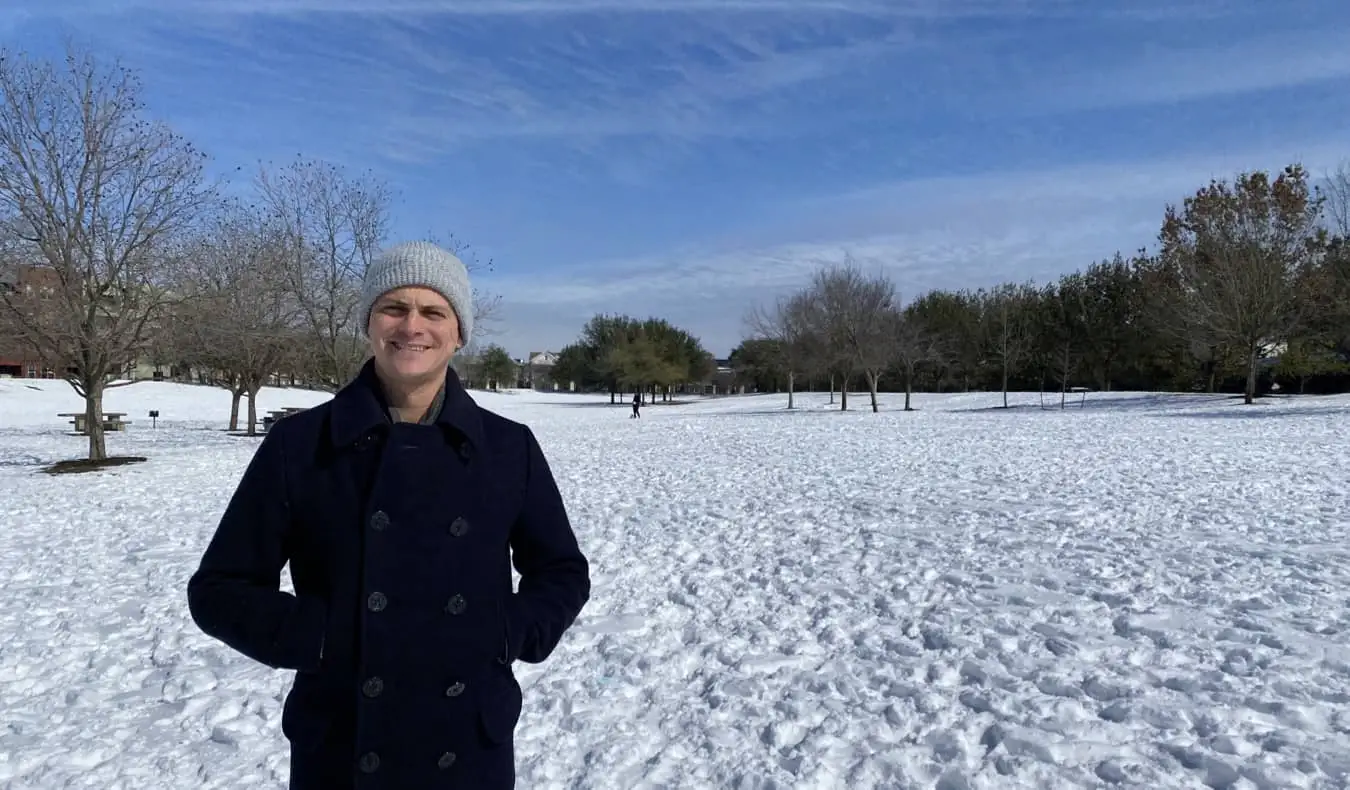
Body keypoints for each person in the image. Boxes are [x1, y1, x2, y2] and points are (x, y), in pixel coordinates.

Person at [186, 240, 591, 789]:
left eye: (433, 311)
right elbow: (219, 587)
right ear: (370, 323)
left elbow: (561, 572)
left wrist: (508, 630)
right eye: (394, 308)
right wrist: (321, 636)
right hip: (343, 741)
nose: (412, 327)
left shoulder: (509, 448)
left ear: (458, 331)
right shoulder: (299, 444)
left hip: (468, 740)